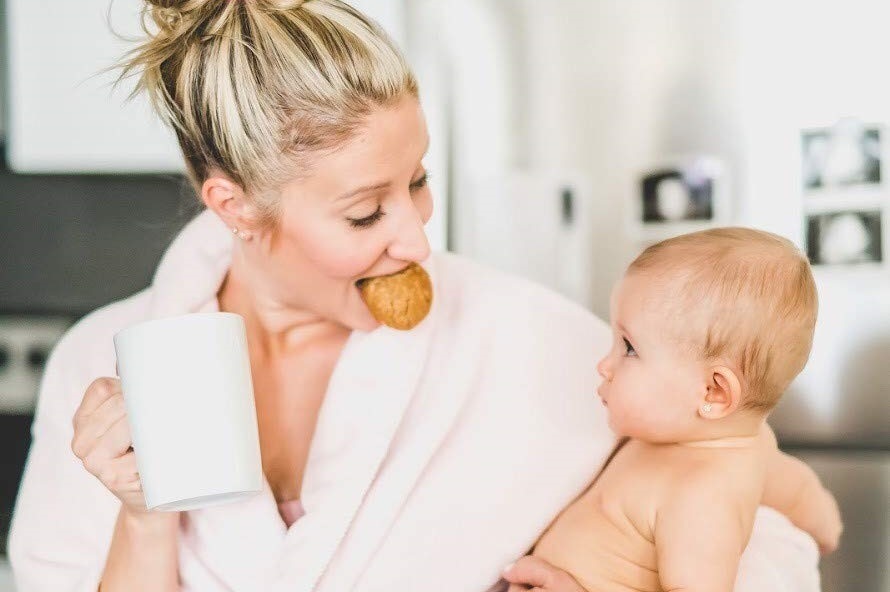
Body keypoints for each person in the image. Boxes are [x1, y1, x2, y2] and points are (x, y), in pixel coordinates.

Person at [9, 2, 825, 591]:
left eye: (420, 181)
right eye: (365, 211)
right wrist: (146, 515)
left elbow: (771, 542)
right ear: (236, 207)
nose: (417, 239)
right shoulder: (103, 365)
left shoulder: (541, 346)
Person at [504, 228, 841, 592]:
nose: (604, 364)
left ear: (713, 392)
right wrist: (827, 528)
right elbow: (802, 494)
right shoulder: (751, 447)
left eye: (629, 348)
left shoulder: (702, 499)